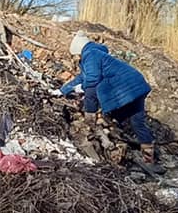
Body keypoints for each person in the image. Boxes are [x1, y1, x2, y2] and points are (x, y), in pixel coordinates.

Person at [55, 32, 163, 169]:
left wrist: (85, 101)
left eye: (76, 55)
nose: (77, 58)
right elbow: (83, 77)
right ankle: (149, 160)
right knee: (137, 123)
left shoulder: (90, 55)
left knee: (92, 92)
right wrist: (63, 90)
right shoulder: (98, 54)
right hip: (138, 86)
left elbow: (92, 81)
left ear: (79, 50)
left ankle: (92, 123)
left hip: (127, 88)